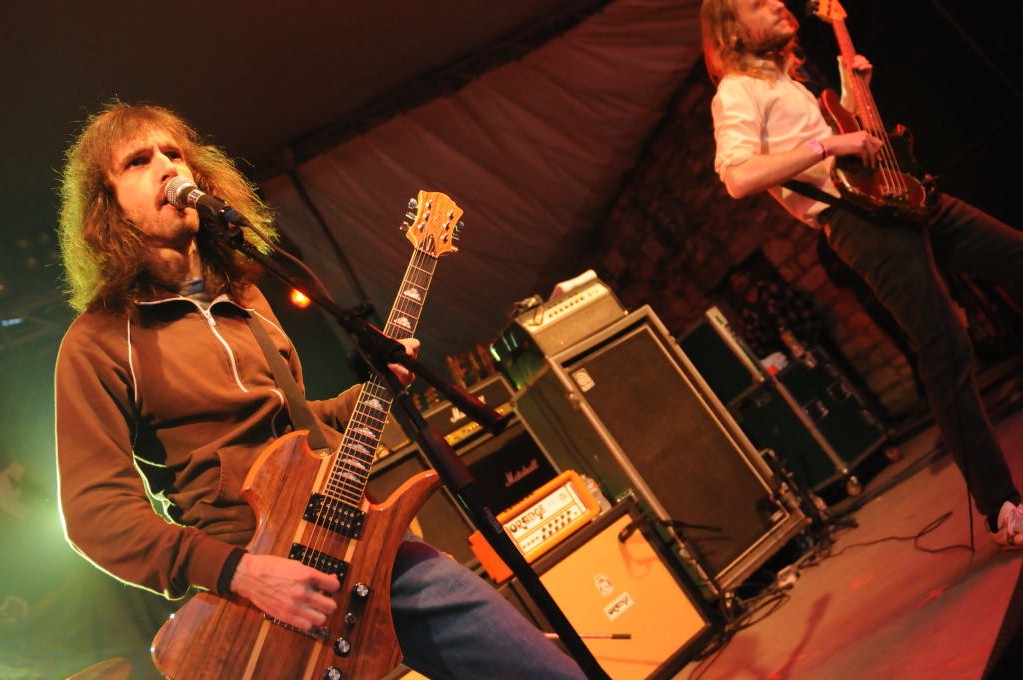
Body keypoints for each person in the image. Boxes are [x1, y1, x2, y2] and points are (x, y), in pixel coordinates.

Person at [53, 102, 585, 679]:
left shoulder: (248, 300)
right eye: (137, 161)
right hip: (253, 593)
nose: (166, 167)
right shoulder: (99, 341)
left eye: (174, 153)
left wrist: (372, 390)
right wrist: (239, 572)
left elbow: (299, 423)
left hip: (364, 549)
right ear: (106, 205)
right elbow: (95, 514)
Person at [701, 0, 1023, 549]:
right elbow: (737, 177)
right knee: (945, 346)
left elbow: (843, 138)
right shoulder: (736, 91)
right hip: (858, 221)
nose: (777, 2)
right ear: (732, 30)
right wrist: (828, 143)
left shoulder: (787, 81)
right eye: (758, 2)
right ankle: (1001, 510)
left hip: (897, 192)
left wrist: (853, 99)